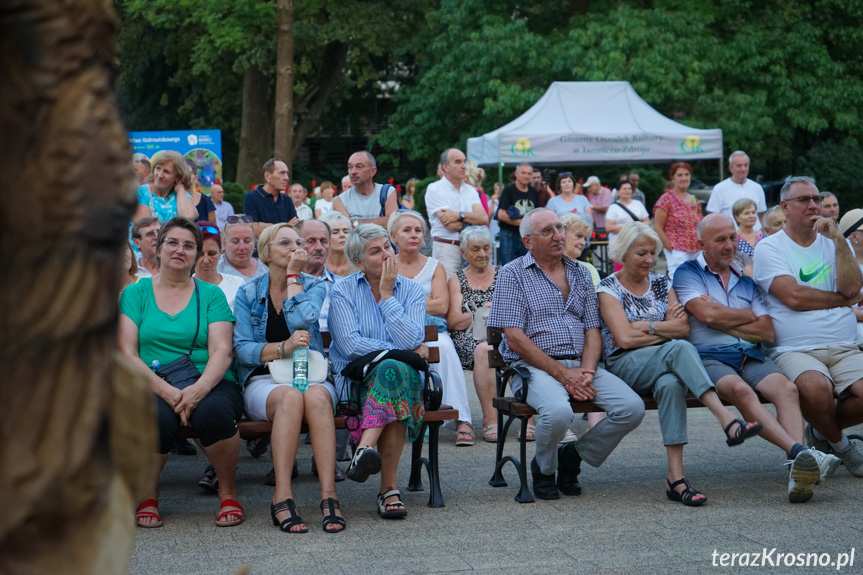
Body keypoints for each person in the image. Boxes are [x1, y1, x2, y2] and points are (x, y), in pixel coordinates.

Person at [674, 214, 841, 503]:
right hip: (710, 357)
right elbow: (705, 315)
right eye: (721, 240)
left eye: (733, 237)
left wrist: (722, 319)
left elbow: (766, 331)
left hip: (749, 353)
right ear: (701, 244)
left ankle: (797, 475)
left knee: (787, 389)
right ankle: (800, 454)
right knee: (739, 390)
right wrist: (743, 316)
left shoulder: (745, 280)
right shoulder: (687, 273)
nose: (730, 245)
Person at [598, 221, 763, 506]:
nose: (649, 260)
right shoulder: (608, 287)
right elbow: (623, 340)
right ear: (622, 254)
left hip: (663, 361)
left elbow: (683, 328)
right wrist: (662, 326)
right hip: (624, 365)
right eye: (641, 254)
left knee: (671, 383)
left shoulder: (663, 283)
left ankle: (676, 478)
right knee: (680, 350)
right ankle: (726, 419)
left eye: (653, 253)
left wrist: (645, 326)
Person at [487, 207, 646, 500]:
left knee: (632, 409)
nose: (558, 235)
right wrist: (563, 374)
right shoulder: (512, 274)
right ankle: (545, 469)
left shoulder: (580, 272)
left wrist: (585, 372)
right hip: (532, 368)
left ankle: (574, 456)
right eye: (547, 231)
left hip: (580, 365)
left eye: (559, 228)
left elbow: (592, 330)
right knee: (559, 412)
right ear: (528, 241)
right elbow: (515, 338)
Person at [118, 217, 244, 528]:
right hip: (149, 382)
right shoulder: (136, 294)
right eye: (172, 243)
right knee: (154, 417)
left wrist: (198, 390)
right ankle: (148, 494)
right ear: (157, 249)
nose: (180, 250)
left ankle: (227, 492)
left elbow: (221, 350)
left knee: (213, 413)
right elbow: (126, 352)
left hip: (209, 379)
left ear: (198, 254)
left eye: (189, 245)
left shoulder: (211, 295)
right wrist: (170, 392)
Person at [232, 223, 345, 533]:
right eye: (285, 243)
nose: (296, 248)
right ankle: (282, 495)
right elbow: (241, 350)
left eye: (298, 242)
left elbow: (303, 319)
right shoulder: (247, 293)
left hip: (311, 374)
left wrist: (294, 278)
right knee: (291, 396)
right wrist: (282, 347)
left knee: (317, 396)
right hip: (264, 381)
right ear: (267, 253)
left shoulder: (314, 285)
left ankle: (329, 494)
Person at [753, 176, 863, 477]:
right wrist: (841, 301)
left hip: (844, 343)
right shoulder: (769, 248)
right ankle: (843, 447)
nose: (813, 205)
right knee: (815, 390)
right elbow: (794, 297)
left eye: (816, 198)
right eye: (804, 200)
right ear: (785, 207)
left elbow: (853, 287)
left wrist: (839, 239)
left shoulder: (834, 242)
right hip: (795, 348)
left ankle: (821, 432)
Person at [328, 224, 429, 518]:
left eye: (387, 246)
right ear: (358, 262)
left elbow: (412, 338)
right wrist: (401, 353)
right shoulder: (343, 290)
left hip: (398, 382)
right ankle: (388, 490)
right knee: (396, 371)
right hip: (356, 382)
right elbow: (349, 344)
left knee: (393, 372)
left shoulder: (410, 290)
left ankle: (364, 450)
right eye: (376, 251)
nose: (387, 254)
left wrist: (387, 296)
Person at [389, 211, 475, 445]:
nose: (414, 235)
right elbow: (381, 302)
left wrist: (403, 301)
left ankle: (463, 419)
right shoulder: (386, 265)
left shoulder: (435, 266)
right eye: (407, 230)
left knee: (445, 348)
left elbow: (441, 305)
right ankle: (417, 416)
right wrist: (422, 299)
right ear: (394, 236)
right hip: (396, 332)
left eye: (418, 230)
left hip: (432, 330)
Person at [446, 226, 499, 442]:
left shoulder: (503, 274)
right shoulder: (457, 279)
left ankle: (531, 418)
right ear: (464, 252)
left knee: (499, 347)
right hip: (467, 339)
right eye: (475, 249)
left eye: (486, 248)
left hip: (502, 336)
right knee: (484, 349)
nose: (482, 254)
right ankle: (491, 419)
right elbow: (454, 321)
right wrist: (481, 314)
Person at [424, 149, 489, 275]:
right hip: (447, 249)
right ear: (445, 167)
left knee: (470, 291)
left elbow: (484, 218)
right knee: (448, 290)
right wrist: (473, 223)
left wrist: (459, 215)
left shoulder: (470, 190)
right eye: (458, 162)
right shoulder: (435, 189)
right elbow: (450, 225)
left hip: (471, 248)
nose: (464, 166)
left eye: (464, 161)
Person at [654, 162, 703, 279]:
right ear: (673, 178)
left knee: (696, 280)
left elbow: (700, 225)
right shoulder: (666, 199)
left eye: (687, 174)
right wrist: (671, 249)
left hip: (696, 250)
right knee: (679, 281)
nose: (684, 178)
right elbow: (658, 227)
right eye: (680, 175)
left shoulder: (694, 199)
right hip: (678, 250)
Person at [333, 151, 398, 228]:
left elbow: (393, 223)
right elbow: (347, 229)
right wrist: (381, 221)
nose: (353, 172)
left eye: (359, 167)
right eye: (350, 167)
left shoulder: (387, 192)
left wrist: (356, 223)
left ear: (372, 171)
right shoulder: (340, 200)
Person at [706, 151, 767, 231]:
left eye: (746, 165)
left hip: (756, 237)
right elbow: (712, 218)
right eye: (739, 165)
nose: (743, 169)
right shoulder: (719, 189)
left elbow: (761, 215)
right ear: (730, 168)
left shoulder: (757, 188)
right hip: (730, 237)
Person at [133, 151, 197, 222]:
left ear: (178, 176)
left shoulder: (181, 195)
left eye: (166, 171)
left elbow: (189, 216)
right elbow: (146, 227)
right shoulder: (140, 192)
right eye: (158, 168)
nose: (160, 175)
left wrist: (180, 187)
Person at [194, 222, 245, 311]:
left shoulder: (238, 285)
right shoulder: (182, 287)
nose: (206, 260)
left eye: (212, 254)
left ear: (220, 252)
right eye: (200, 254)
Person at [497, 163, 540, 264]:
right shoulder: (508, 190)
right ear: (516, 174)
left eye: (529, 174)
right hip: (509, 235)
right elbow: (501, 214)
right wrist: (525, 223)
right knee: (508, 267)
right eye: (523, 173)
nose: (526, 176)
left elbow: (536, 215)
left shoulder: (534, 192)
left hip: (527, 237)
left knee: (528, 267)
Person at [243, 159, 298, 237]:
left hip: (285, 248)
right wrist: (286, 226)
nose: (286, 178)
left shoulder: (287, 200)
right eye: (282, 173)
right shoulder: (251, 198)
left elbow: (295, 228)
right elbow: (254, 230)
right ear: (267, 176)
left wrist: (264, 227)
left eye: (287, 173)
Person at [218, 215, 268, 281]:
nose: (242, 247)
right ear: (224, 243)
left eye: (247, 241)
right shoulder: (215, 268)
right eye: (235, 242)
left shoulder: (266, 269)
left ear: (254, 242)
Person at [605, 179, 650, 249]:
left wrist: (638, 227)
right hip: (619, 243)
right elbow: (609, 227)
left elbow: (647, 221)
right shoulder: (613, 207)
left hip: (637, 242)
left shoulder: (638, 204)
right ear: (618, 192)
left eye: (629, 188)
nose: (627, 191)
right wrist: (630, 227)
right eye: (624, 189)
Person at [559, 213, 600, 287]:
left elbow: (593, 298)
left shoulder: (588, 269)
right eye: (579, 236)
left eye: (585, 239)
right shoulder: (546, 267)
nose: (583, 243)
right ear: (562, 234)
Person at [319, 211, 357, 277]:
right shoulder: (316, 266)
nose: (342, 235)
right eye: (335, 232)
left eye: (345, 231)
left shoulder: (359, 265)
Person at [186, 159, 216, 224]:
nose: (186, 176)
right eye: (183, 173)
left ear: (196, 178)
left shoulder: (206, 201)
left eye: (189, 173)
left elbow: (214, 229)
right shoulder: (170, 201)